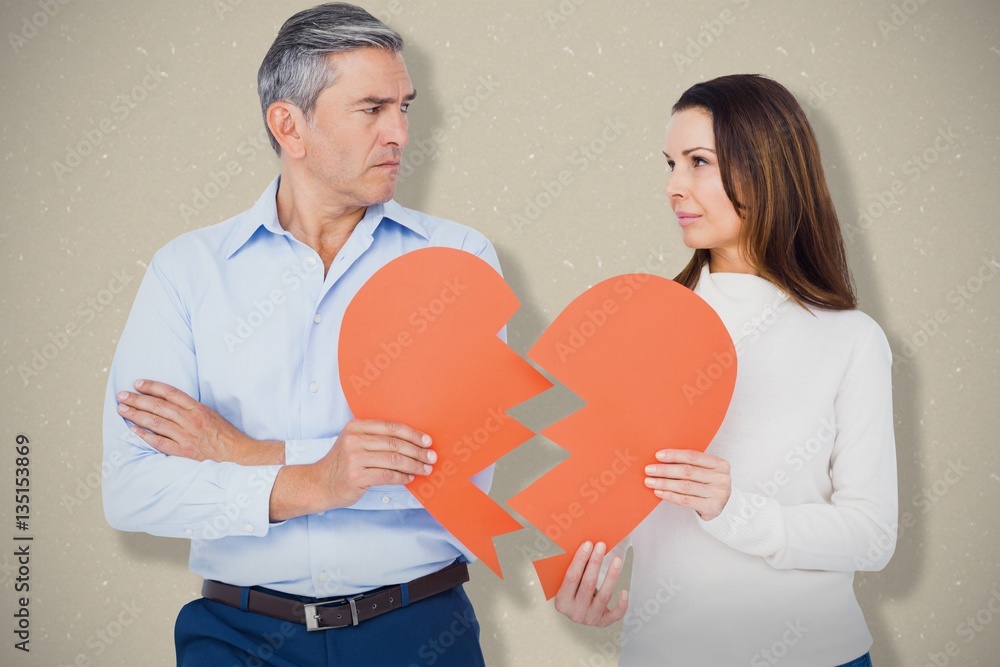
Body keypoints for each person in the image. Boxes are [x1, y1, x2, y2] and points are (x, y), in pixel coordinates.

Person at [102, 4, 493, 665]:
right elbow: (134, 487)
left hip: (419, 632)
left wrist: (235, 449)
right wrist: (318, 478)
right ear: (290, 125)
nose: (401, 131)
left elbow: (458, 475)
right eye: (372, 109)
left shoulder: (458, 260)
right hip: (236, 636)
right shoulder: (188, 272)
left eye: (406, 106)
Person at [553, 74, 897, 667]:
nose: (673, 187)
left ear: (768, 169)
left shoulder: (850, 340)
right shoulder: (638, 328)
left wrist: (734, 510)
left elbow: (872, 535)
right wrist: (579, 577)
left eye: (698, 162)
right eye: (669, 163)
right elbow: (611, 494)